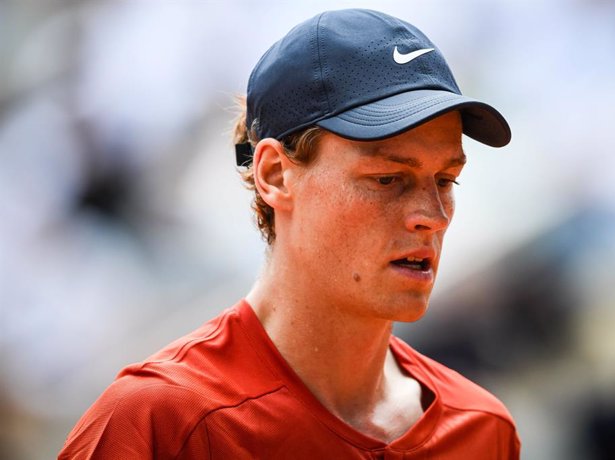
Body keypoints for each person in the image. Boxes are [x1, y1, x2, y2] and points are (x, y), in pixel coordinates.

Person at [59, 8, 520, 459]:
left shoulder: (483, 429)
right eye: (387, 179)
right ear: (276, 175)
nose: (433, 216)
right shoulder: (156, 425)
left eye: (446, 180)